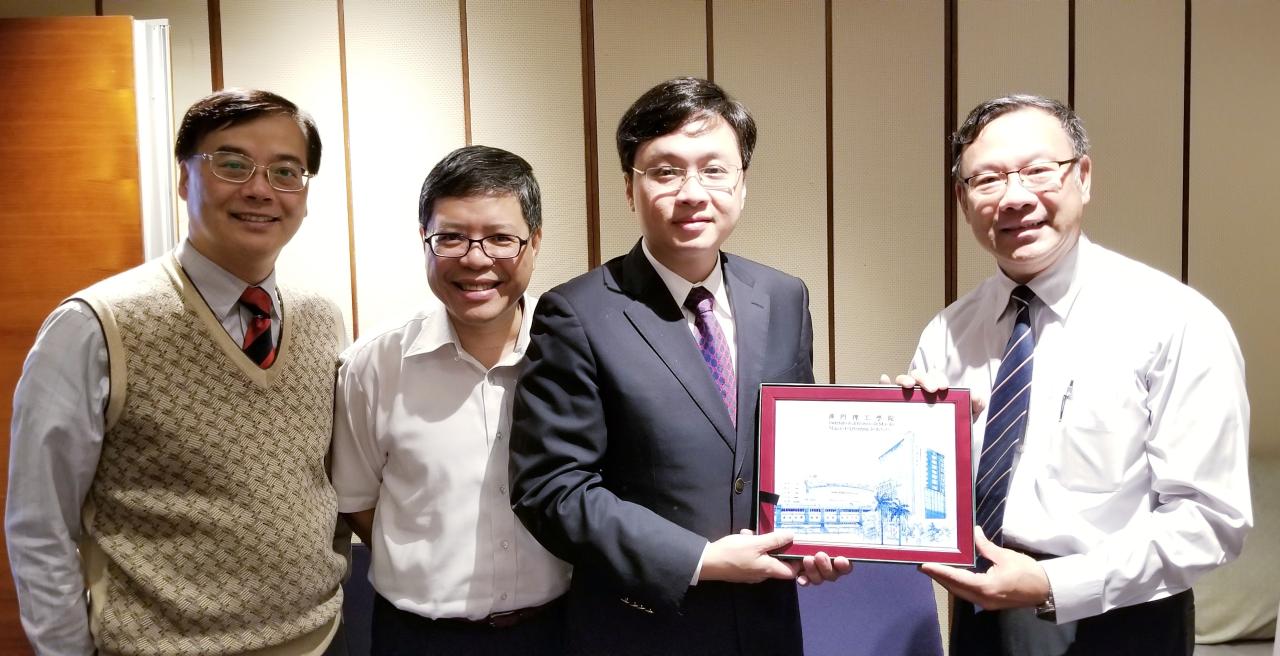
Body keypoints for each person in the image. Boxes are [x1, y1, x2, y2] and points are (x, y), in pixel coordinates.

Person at [891, 94, 1251, 655]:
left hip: (1121, 618)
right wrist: (905, 438)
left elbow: (1211, 519)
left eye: (1038, 170)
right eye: (987, 180)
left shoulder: (1174, 320)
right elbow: (922, 499)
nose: (1014, 197)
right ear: (964, 201)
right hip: (979, 611)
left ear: (1082, 177)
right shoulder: (948, 331)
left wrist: (1054, 584)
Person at [509, 76, 851, 655]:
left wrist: (821, 534)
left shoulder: (783, 296)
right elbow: (552, 488)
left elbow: (796, 452)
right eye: (665, 171)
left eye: (715, 170)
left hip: (766, 624)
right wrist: (700, 559)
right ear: (630, 188)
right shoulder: (578, 313)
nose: (692, 192)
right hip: (644, 627)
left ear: (741, 183)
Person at [6, 89, 349, 655]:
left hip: (321, 638)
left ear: (304, 195)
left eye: (286, 172)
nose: (260, 189)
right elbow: (39, 526)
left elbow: (325, 481)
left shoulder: (323, 318)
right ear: (185, 178)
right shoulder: (93, 326)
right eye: (233, 164)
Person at [331, 145, 569, 654]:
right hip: (419, 637)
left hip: (559, 631)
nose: (476, 259)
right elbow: (358, 502)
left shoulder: (575, 354)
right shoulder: (374, 365)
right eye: (451, 238)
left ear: (535, 241)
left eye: (501, 238)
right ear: (424, 240)